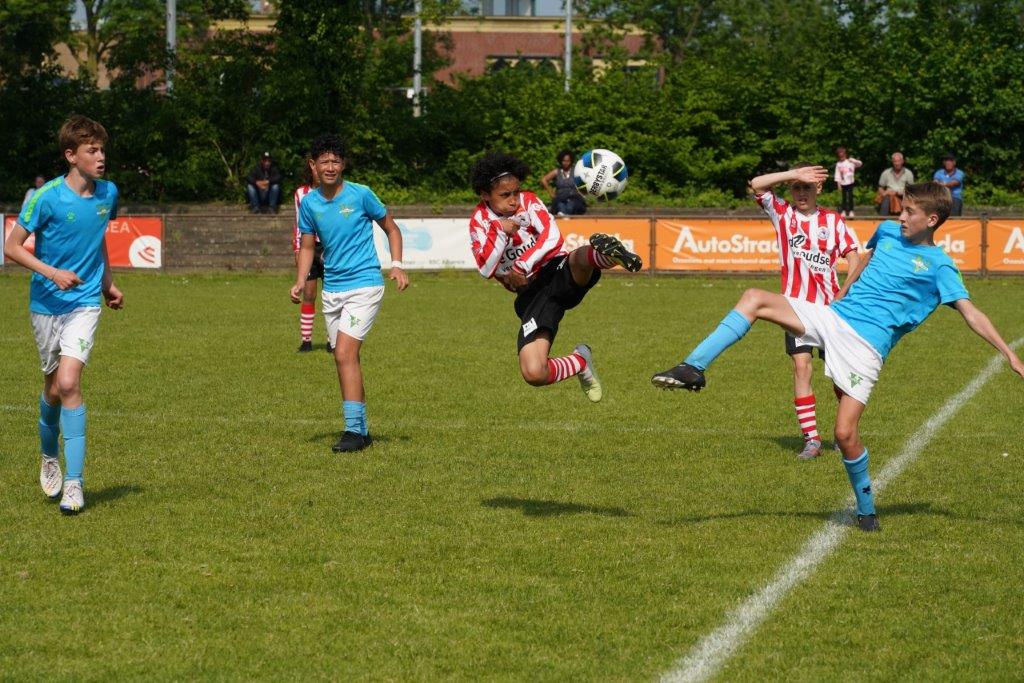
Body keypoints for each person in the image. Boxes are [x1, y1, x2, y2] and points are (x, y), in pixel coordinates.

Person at [651, 182, 1024, 532]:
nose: (900, 217)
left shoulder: (940, 266)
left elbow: (969, 311)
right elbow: (865, 258)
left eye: (909, 212)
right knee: (754, 298)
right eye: (901, 209)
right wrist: (844, 290)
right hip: (834, 317)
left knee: (845, 435)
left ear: (932, 220)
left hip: (866, 349)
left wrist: (1009, 354)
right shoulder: (889, 232)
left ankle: (866, 510)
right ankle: (693, 367)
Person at [2, 115, 125, 515]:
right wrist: (51, 272)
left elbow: (98, 241)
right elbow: (12, 247)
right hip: (45, 304)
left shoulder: (109, 193)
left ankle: (74, 484)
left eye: (102, 149)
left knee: (70, 383)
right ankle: (48, 453)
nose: (101, 157)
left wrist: (107, 284)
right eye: (92, 150)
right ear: (71, 155)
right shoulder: (46, 197)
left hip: (85, 303)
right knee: (53, 388)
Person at [468, 151, 642, 402]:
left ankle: (607, 256)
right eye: (505, 195)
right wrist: (502, 232)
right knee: (534, 372)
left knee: (577, 259)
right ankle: (580, 361)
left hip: (555, 269)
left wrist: (520, 266)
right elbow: (485, 268)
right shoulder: (480, 222)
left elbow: (552, 238)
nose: (514, 201)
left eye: (516, 192)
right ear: (485, 194)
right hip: (532, 296)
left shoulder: (529, 201)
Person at [290, 134, 408, 453]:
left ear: (343, 165)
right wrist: (301, 280)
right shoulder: (310, 203)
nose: (331, 167)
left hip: (365, 285)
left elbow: (391, 228)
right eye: (324, 161)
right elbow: (308, 245)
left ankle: (353, 432)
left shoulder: (361, 195)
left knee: (344, 353)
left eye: (336, 161)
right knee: (342, 358)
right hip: (333, 290)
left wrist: (396, 264)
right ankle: (362, 430)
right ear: (312, 165)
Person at [749, 163, 861, 460]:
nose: (801, 193)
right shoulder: (783, 214)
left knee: (840, 375)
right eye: (797, 188)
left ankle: (844, 431)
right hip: (795, 310)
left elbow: (854, 259)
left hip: (830, 310)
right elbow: (757, 184)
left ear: (818, 189)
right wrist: (792, 174)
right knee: (801, 367)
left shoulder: (833, 221)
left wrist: (844, 292)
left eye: (806, 187)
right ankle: (811, 439)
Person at [291, 160, 330, 353]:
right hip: (308, 248)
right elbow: (298, 225)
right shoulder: (301, 194)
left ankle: (333, 340)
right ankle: (306, 341)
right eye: (315, 167)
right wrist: (297, 250)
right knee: (309, 293)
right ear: (311, 168)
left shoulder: (333, 193)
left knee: (332, 295)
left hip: (329, 247)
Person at [540, 149, 586, 216]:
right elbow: (543, 180)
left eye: (568, 161)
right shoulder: (557, 171)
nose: (565, 163)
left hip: (574, 198)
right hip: (560, 198)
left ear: (571, 161)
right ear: (561, 161)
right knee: (561, 206)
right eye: (564, 161)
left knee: (570, 207)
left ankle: (564, 218)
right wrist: (551, 193)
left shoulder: (576, 171)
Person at [876, 151, 914, 216]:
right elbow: (880, 187)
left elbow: (911, 189)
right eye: (895, 161)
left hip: (903, 196)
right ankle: (882, 219)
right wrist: (883, 193)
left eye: (898, 161)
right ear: (892, 162)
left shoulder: (908, 173)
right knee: (886, 199)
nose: (897, 163)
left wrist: (897, 193)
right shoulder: (886, 173)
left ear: (902, 161)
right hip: (888, 197)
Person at [833, 147, 862, 218]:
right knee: (844, 198)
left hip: (850, 182)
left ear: (845, 155)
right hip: (843, 183)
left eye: (842, 155)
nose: (841, 157)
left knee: (850, 197)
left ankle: (851, 211)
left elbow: (860, 164)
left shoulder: (850, 162)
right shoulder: (838, 164)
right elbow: (837, 174)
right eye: (840, 156)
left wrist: (853, 160)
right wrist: (838, 184)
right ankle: (843, 211)